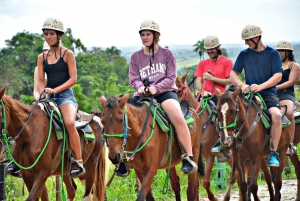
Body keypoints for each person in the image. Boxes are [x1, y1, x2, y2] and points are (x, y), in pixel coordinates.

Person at [125, 20, 197, 175]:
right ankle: (124, 159)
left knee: (178, 117)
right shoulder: (135, 57)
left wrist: (156, 88)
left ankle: (188, 157)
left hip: (165, 92)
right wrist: (141, 88)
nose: (145, 37)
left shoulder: (166, 54)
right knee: (125, 117)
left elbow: (171, 78)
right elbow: (134, 79)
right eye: (142, 34)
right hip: (142, 94)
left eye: (148, 34)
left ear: (155, 36)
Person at [229, 24, 283, 167]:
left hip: (268, 93)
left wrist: (261, 87)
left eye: (248, 40)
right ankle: (222, 144)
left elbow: (278, 76)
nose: (246, 43)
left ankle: (273, 152)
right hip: (248, 94)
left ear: (257, 38)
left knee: (276, 116)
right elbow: (233, 74)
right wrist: (242, 85)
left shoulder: (273, 54)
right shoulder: (244, 54)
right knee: (228, 109)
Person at [39, 17, 84, 177]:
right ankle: (18, 161)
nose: (48, 37)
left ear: (59, 35)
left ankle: (78, 162)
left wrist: (55, 89)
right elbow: (39, 81)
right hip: (47, 97)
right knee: (29, 119)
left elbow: (73, 79)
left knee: (70, 123)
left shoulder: (68, 54)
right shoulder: (41, 57)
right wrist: (39, 95)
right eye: (46, 34)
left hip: (65, 97)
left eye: (51, 33)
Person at [5, 41, 51, 176]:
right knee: (23, 125)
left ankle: (71, 155)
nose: (46, 53)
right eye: (44, 50)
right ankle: (16, 161)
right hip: (41, 101)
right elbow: (36, 89)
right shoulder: (38, 68)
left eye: (49, 50)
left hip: (57, 100)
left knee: (63, 122)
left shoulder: (61, 66)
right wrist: (38, 98)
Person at [194, 35, 233, 160]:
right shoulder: (203, 63)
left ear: (218, 47)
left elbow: (230, 81)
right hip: (205, 96)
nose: (210, 51)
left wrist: (212, 79)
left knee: (220, 116)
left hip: (221, 97)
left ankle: (222, 145)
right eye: (208, 49)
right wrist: (202, 91)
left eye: (212, 48)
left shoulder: (227, 62)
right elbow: (198, 80)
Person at [275, 40, 300, 155]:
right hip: (272, 93)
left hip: (286, 93)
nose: (279, 53)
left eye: (282, 51)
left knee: (289, 112)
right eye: (278, 50)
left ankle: (290, 144)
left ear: (288, 52)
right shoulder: (274, 65)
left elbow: (290, 82)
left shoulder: (294, 66)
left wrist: (275, 87)